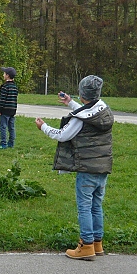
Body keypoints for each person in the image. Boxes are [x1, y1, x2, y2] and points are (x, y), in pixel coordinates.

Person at [34, 75, 114, 261]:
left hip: (86, 169)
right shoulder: (104, 110)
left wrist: (43, 127)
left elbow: (62, 135)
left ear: (82, 93)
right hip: (103, 168)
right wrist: (70, 103)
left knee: (84, 207)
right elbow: (87, 112)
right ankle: (97, 243)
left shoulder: (80, 119)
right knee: (96, 206)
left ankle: (86, 246)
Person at [0, 66, 18, 149]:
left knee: (3, 126)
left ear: (7, 75)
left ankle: (3, 143)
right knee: (11, 127)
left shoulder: (4, 86)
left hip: (5, 110)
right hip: (12, 110)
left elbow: (2, 99)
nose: (3, 75)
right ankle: (11, 143)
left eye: (4, 73)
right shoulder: (15, 87)